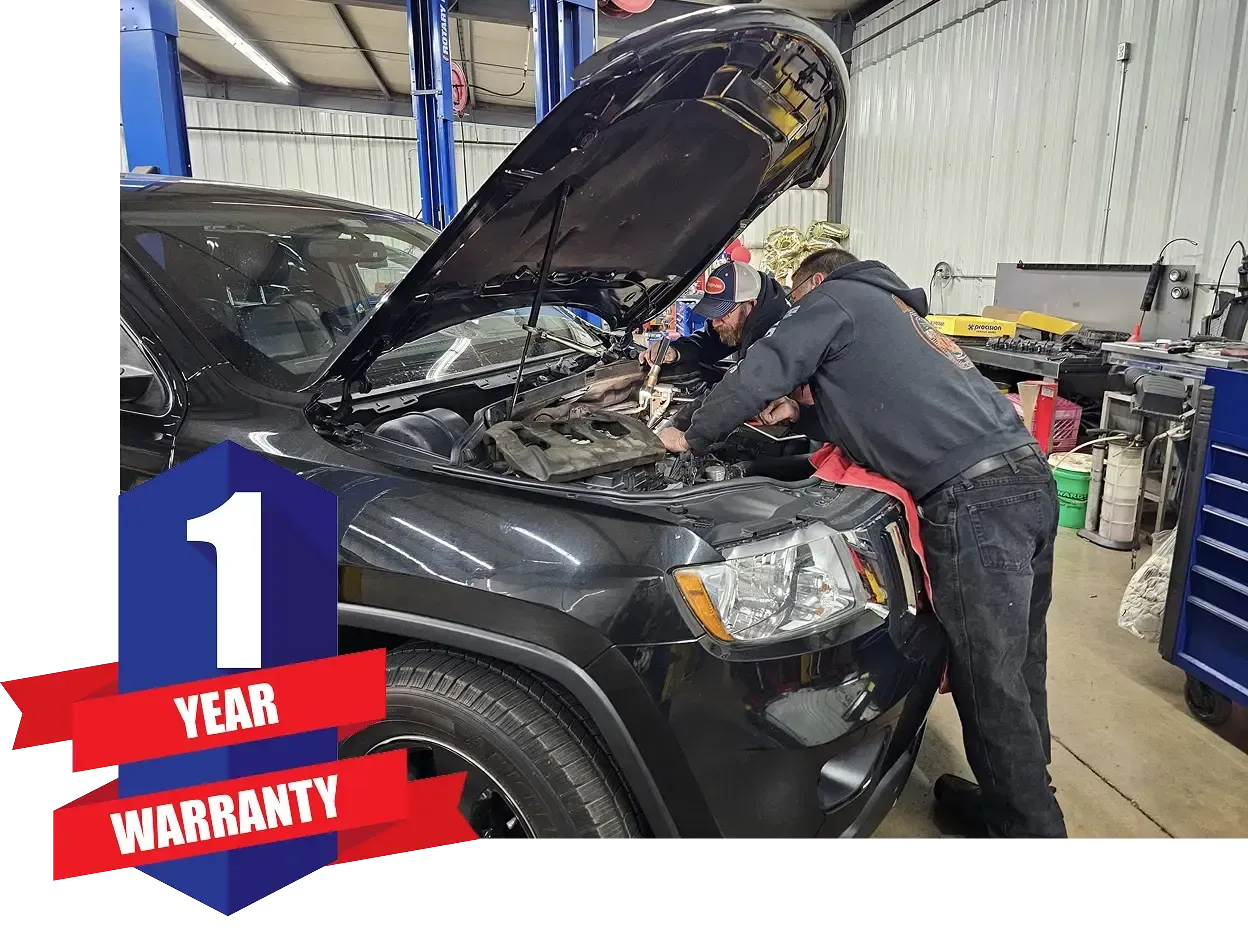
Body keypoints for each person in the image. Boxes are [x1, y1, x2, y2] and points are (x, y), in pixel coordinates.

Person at [658, 247, 1067, 841]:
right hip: (1025, 481)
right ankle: (1017, 798)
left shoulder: (835, 298)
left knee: (987, 678)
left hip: (975, 502)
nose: (797, 313)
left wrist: (690, 434)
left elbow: (764, 364)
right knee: (1020, 661)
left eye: (797, 302)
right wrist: (800, 408)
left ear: (816, 282)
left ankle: (1031, 834)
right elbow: (877, 406)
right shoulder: (893, 310)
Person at [639, 261, 791, 370]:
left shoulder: (780, 333)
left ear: (751, 305)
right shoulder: (742, 320)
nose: (714, 323)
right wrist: (675, 351)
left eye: (723, 314)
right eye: (713, 314)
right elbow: (707, 342)